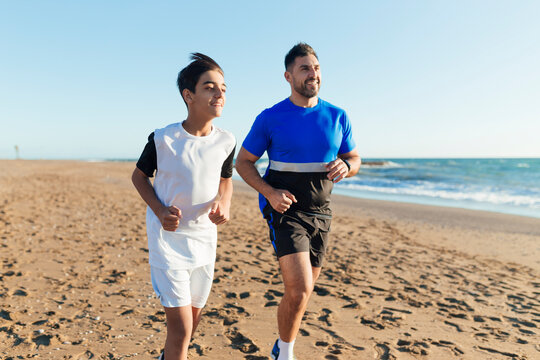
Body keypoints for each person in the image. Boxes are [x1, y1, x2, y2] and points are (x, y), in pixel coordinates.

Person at [235, 43, 361, 360]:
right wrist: (270, 193)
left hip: (322, 213)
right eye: (305, 68)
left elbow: (354, 158)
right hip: (286, 211)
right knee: (300, 287)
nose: (313, 73)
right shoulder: (270, 118)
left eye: (316, 67)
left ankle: (281, 343)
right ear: (288, 76)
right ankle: (286, 353)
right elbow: (244, 163)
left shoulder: (337, 115)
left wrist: (347, 166)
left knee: (302, 294)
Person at [131, 53, 235, 360]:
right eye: (210, 87)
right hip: (168, 243)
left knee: (191, 326)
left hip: (204, 241)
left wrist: (224, 203)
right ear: (188, 95)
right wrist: (161, 211)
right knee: (180, 330)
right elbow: (138, 177)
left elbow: (225, 180)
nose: (220, 94)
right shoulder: (163, 139)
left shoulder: (226, 141)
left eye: (223, 88)